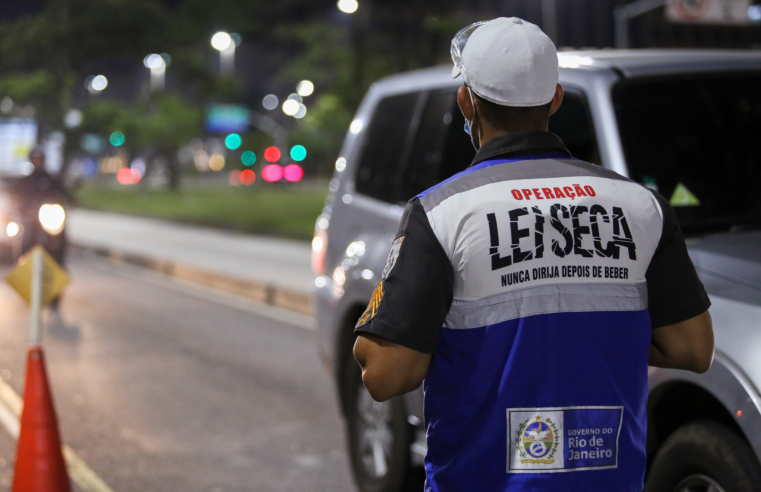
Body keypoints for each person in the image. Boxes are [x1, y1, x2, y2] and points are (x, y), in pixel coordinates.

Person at [353, 18, 713, 492]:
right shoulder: (641, 206)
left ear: (467, 102)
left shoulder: (443, 212)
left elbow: (384, 373)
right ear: (556, 99)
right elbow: (693, 348)